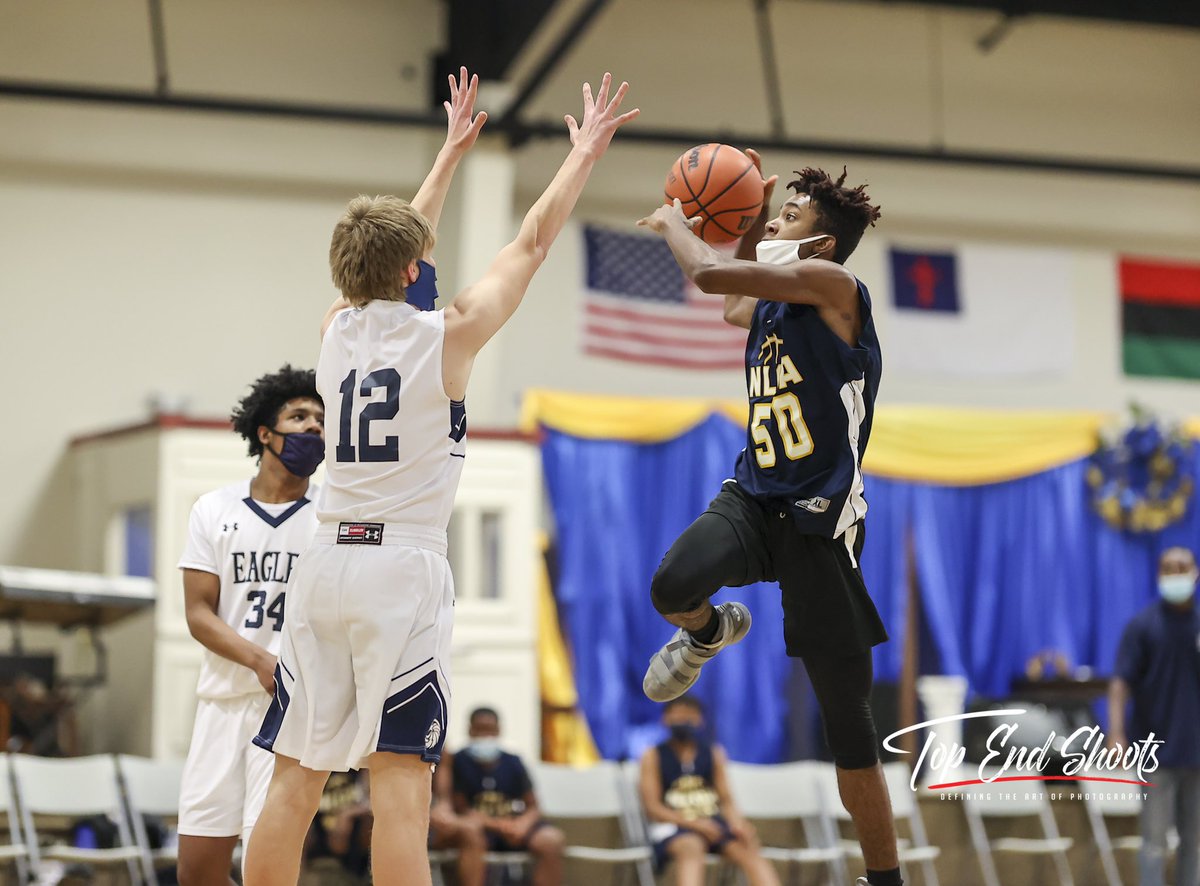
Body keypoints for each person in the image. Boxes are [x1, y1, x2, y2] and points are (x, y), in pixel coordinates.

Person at [243, 68, 637, 886]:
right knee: (402, 791)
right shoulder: (446, 336)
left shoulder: (334, 330)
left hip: (323, 565)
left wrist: (451, 154)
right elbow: (530, 242)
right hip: (401, 571)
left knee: (294, 781)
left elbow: (385, 250)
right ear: (411, 269)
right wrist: (582, 157)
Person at [636, 157, 901, 886]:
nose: (778, 221)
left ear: (820, 245)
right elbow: (733, 304)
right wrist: (748, 206)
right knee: (672, 584)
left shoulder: (837, 287)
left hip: (820, 520)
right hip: (756, 497)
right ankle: (709, 631)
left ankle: (886, 879)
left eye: (791, 217)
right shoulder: (778, 303)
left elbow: (712, 279)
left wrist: (672, 224)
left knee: (849, 728)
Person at [176, 365, 324, 885]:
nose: (314, 428)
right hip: (223, 701)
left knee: (268, 866)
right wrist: (260, 659)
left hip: (291, 709)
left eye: (321, 420)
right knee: (196, 868)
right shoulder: (213, 509)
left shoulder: (332, 517)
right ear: (265, 432)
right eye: (299, 416)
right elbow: (198, 612)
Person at [1109, 546, 1200, 886]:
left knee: (1194, 843)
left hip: (1196, 752)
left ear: (1195, 573)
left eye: (1181, 568)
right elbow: (1120, 684)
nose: (1175, 575)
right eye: (1168, 569)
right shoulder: (1143, 627)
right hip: (1155, 753)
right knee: (1154, 843)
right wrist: (1116, 734)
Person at [638, 696, 780, 886]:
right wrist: (695, 824)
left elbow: (726, 800)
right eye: (678, 715)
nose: (683, 720)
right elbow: (653, 808)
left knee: (748, 848)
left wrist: (738, 823)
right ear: (664, 719)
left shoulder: (713, 753)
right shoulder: (653, 755)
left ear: (700, 720)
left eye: (689, 715)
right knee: (691, 847)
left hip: (712, 824)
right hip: (673, 825)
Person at [450, 707, 565, 886]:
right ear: (470, 730)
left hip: (515, 827)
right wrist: (499, 826)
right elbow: (460, 809)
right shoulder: (458, 761)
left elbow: (533, 806)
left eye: (490, 729)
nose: (485, 735)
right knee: (469, 832)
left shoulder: (513, 761)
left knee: (551, 839)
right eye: (480, 729)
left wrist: (522, 824)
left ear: (499, 730)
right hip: (482, 829)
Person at [428, 752, 488, 886]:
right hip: (393, 819)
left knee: (471, 830)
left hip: (431, 824)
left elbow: (444, 801)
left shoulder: (443, 758)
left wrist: (443, 811)